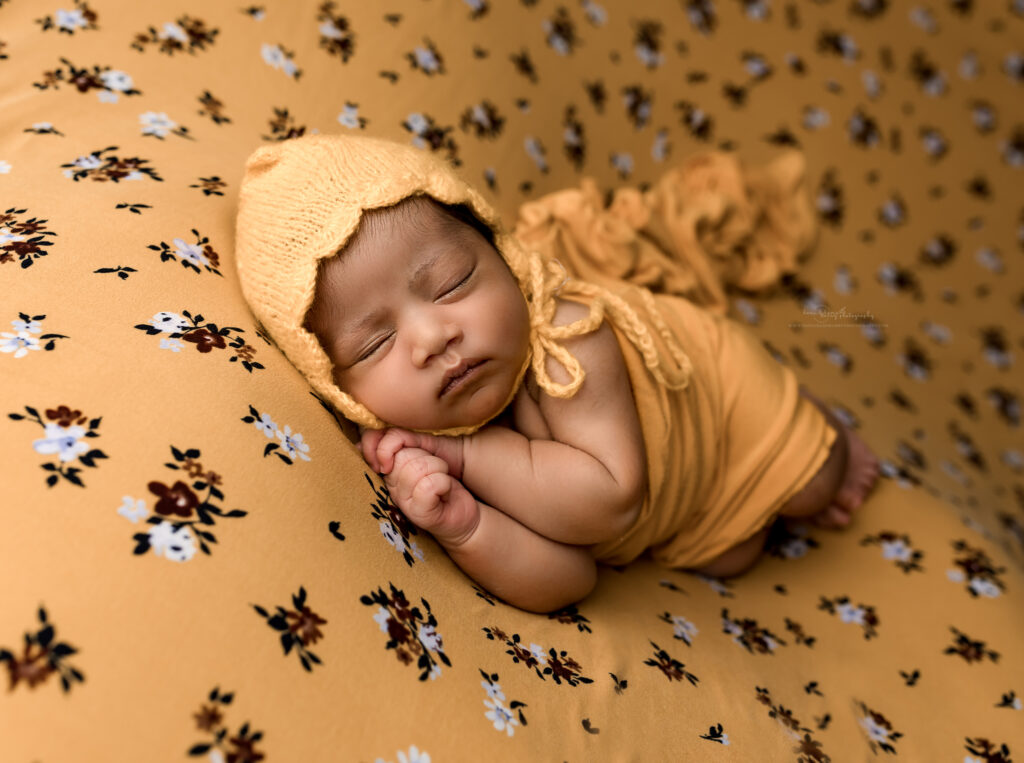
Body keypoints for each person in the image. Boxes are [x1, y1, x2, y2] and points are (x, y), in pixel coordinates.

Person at [235, 134, 880, 613]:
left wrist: (466, 457)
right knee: (734, 558)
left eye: (454, 283)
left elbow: (608, 499)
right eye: (375, 343)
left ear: (502, 252)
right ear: (339, 389)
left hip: (720, 402)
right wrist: (464, 524)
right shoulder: (419, 438)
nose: (434, 338)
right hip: (675, 503)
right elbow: (569, 581)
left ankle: (827, 428)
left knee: (812, 487)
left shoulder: (568, 333)